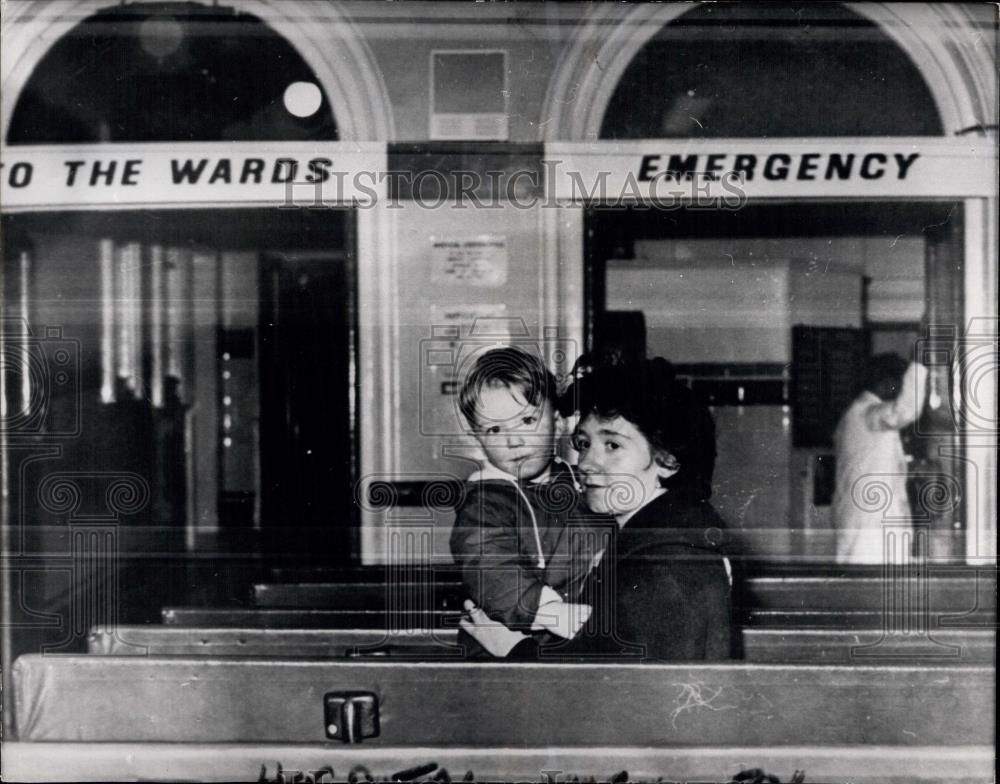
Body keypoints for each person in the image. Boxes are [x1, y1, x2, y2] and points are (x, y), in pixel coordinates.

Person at [549, 356, 734, 660]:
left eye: (612, 445)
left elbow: (632, 690)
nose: (586, 463)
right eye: (583, 444)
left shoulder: (663, 559)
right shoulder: (661, 537)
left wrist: (511, 650)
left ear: (668, 459)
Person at [449, 346, 600, 658]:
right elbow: (492, 570)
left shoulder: (582, 482)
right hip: (503, 652)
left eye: (527, 420)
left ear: (558, 423)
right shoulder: (485, 503)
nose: (514, 440)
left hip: (575, 645)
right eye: (494, 429)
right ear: (478, 440)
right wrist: (554, 614)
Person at [831, 354, 928, 564]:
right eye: (900, 387)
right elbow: (903, 412)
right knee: (872, 589)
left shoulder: (855, 414)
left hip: (862, 520)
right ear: (888, 384)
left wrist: (911, 468)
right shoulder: (868, 413)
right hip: (870, 526)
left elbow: (870, 461)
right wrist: (919, 367)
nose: (900, 393)